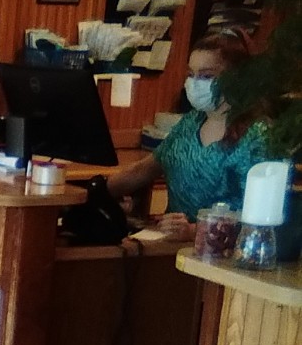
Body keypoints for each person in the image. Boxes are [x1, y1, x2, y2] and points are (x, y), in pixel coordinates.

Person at [107, 29, 267, 240]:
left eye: (207, 76)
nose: (195, 83)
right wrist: (91, 192)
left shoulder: (258, 138)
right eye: (191, 74)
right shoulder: (191, 122)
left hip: (221, 256)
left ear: (237, 79)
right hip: (170, 245)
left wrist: (194, 231)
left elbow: (261, 219)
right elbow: (143, 170)